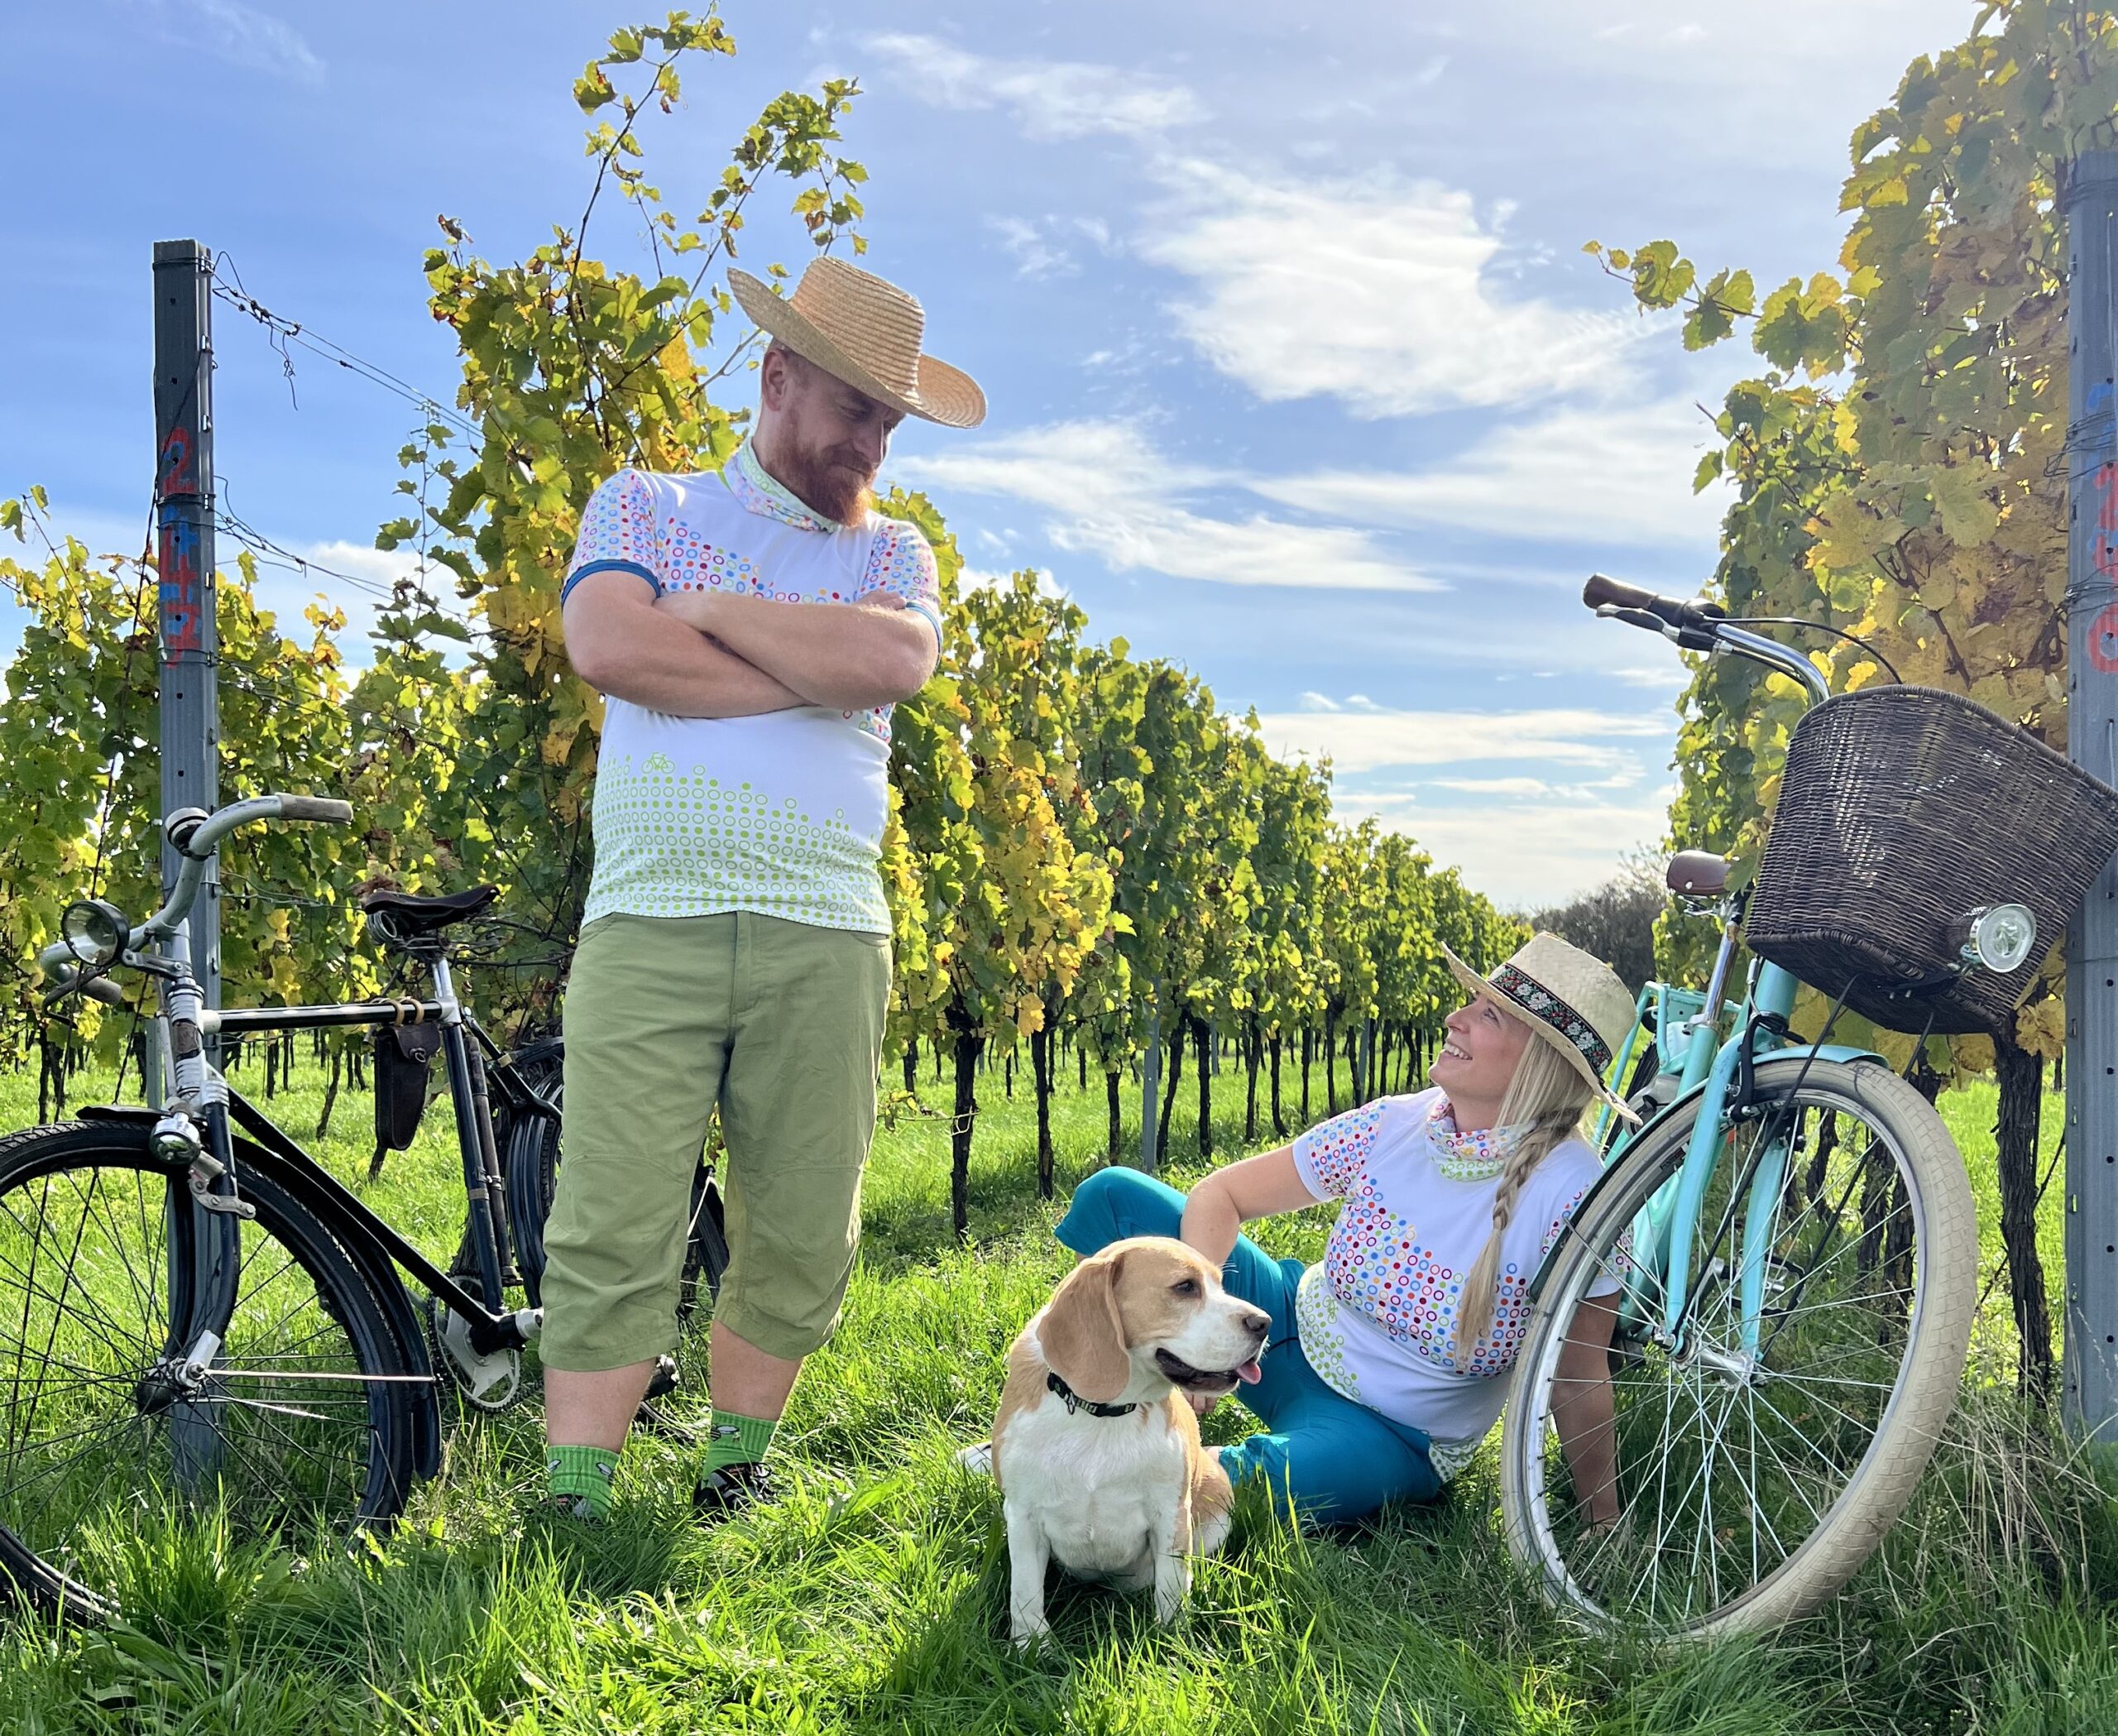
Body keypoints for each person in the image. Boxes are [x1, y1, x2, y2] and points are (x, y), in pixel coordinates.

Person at [544, 257, 985, 1522]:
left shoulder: (895, 550)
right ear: (778, 376)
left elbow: (896, 658)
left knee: (802, 1217)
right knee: (613, 1209)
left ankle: (731, 1473)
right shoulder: (639, 501)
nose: (874, 444)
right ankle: (578, 1499)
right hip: (650, 914)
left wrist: (717, 610)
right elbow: (611, 645)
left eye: (891, 424)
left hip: (830, 929)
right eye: (856, 409)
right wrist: (811, 664)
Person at [1045, 933, 1635, 1526]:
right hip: (1284, 1332)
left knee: (1233, 1490)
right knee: (1114, 1196)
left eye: (1486, 1015)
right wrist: (1202, 1325)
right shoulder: (1395, 1123)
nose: (1454, 1019)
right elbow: (1221, 1195)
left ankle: (1086, 1464)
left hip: (1387, 1432)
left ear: (1540, 1060)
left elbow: (1579, 1372)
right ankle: (1068, 1394)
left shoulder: (1580, 1196)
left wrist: (1602, 1520)